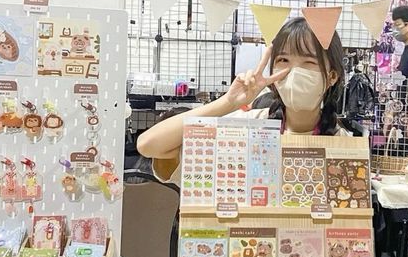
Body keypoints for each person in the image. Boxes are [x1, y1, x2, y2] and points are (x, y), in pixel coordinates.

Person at [138, 16, 351, 178]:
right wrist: (228, 103)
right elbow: (149, 145)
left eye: (309, 62)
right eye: (284, 60)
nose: (293, 72)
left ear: (332, 76)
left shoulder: (344, 144)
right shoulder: (249, 126)